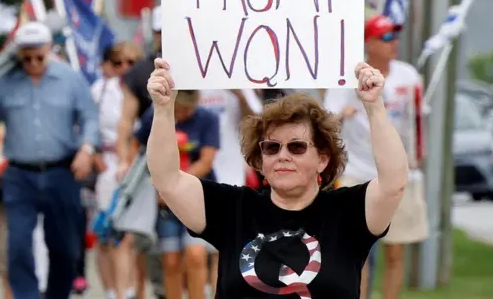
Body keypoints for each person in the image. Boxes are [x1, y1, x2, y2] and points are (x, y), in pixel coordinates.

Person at [145, 57, 409, 298]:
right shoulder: (233, 208)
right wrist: (164, 109)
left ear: (323, 159)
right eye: (272, 147)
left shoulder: (347, 212)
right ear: (260, 161)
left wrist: (374, 106)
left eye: (297, 146)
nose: (283, 155)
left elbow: (393, 184)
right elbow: (167, 179)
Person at [0, 21, 100, 299]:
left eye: (39, 57)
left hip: (61, 172)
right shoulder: (5, 81)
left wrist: (86, 149)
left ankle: (57, 294)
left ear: (49, 50)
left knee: (65, 246)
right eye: (26, 57)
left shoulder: (69, 78)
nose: (32, 63)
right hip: (20, 175)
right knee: (18, 244)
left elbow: (90, 117)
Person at [324, 14, 428, 299]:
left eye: (394, 36)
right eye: (385, 37)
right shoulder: (347, 78)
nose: (393, 42)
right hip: (356, 172)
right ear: (368, 42)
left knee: (395, 250)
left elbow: (418, 118)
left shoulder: (408, 76)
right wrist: (342, 116)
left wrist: (419, 154)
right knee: (358, 250)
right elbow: (326, 122)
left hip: (397, 173)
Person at [133, 90, 220, 299]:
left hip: (196, 197)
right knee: (170, 260)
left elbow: (206, 160)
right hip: (164, 202)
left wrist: (174, 186)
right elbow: (138, 147)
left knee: (196, 256)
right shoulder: (155, 114)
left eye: (187, 110)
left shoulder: (207, 118)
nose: (181, 115)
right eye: (178, 110)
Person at [116, 5, 165, 299]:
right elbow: (126, 119)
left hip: (189, 160)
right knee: (140, 234)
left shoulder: (199, 65)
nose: (164, 37)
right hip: (146, 165)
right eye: (160, 31)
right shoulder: (139, 72)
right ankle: (139, 293)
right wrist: (123, 158)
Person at [90, 42, 142, 299]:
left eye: (130, 63)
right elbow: (86, 126)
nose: (124, 68)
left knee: (131, 234)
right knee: (107, 233)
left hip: (138, 165)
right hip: (108, 164)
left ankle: (129, 290)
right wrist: (93, 153)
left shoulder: (144, 88)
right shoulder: (99, 91)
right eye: (118, 63)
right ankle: (113, 291)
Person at [198, 88, 262, 294]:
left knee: (223, 245)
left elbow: (257, 123)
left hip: (231, 173)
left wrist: (240, 95)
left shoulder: (239, 84)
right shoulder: (193, 77)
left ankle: (218, 290)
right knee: (194, 250)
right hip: (196, 170)